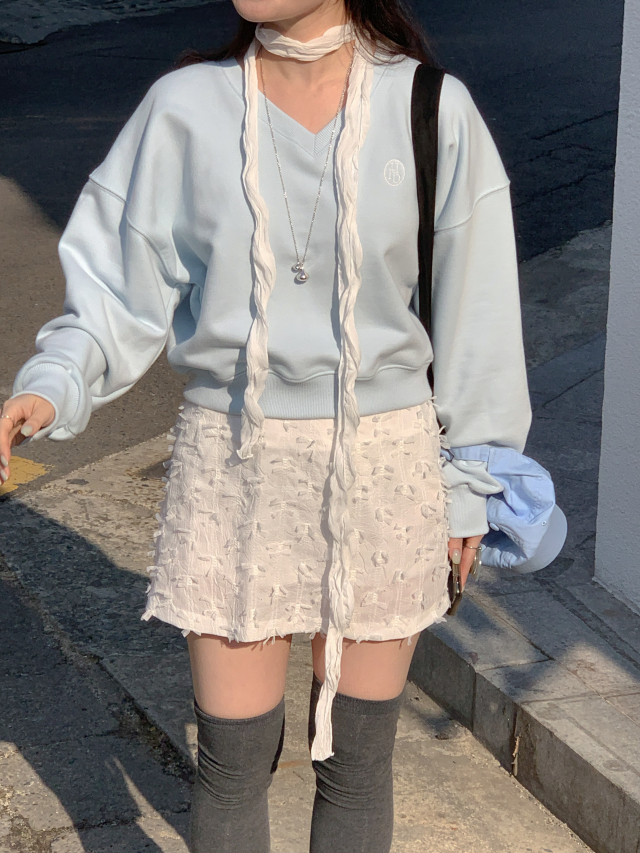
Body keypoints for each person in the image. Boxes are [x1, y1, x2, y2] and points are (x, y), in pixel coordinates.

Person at [0, 0, 531, 850]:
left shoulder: (431, 107)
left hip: (385, 463)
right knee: (232, 759)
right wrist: (54, 382)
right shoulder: (185, 109)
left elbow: (480, 316)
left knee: (357, 761)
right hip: (233, 460)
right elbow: (116, 287)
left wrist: (471, 482)